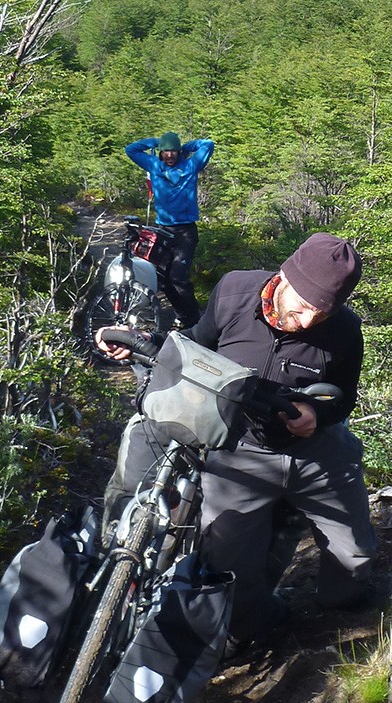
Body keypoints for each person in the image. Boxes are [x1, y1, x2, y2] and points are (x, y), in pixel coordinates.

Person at [97, 233, 377, 652]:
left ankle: (338, 610)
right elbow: (195, 344)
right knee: (227, 568)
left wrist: (317, 415)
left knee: (354, 561)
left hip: (316, 453)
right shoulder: (235, 291)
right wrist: (140, 346)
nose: (305, 322)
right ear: (284, 278)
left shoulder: (344, 330)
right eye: (301, 308)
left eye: (320, 314)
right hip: (240, 451)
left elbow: (345, 399)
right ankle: (260, 621)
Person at [124, 132, 214, 328]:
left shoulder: (190, 166)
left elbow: (207, 144)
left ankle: (194, 320)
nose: (170, 155)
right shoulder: (153, 165)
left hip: (185, 232)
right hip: (163, 230)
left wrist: (186, 146)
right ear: (161, 153)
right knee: (162, 280)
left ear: (178, 151)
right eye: (165, 151)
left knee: (179, 278)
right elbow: (130, 149)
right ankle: (183, 315)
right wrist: (156, 142)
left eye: (173, 151)